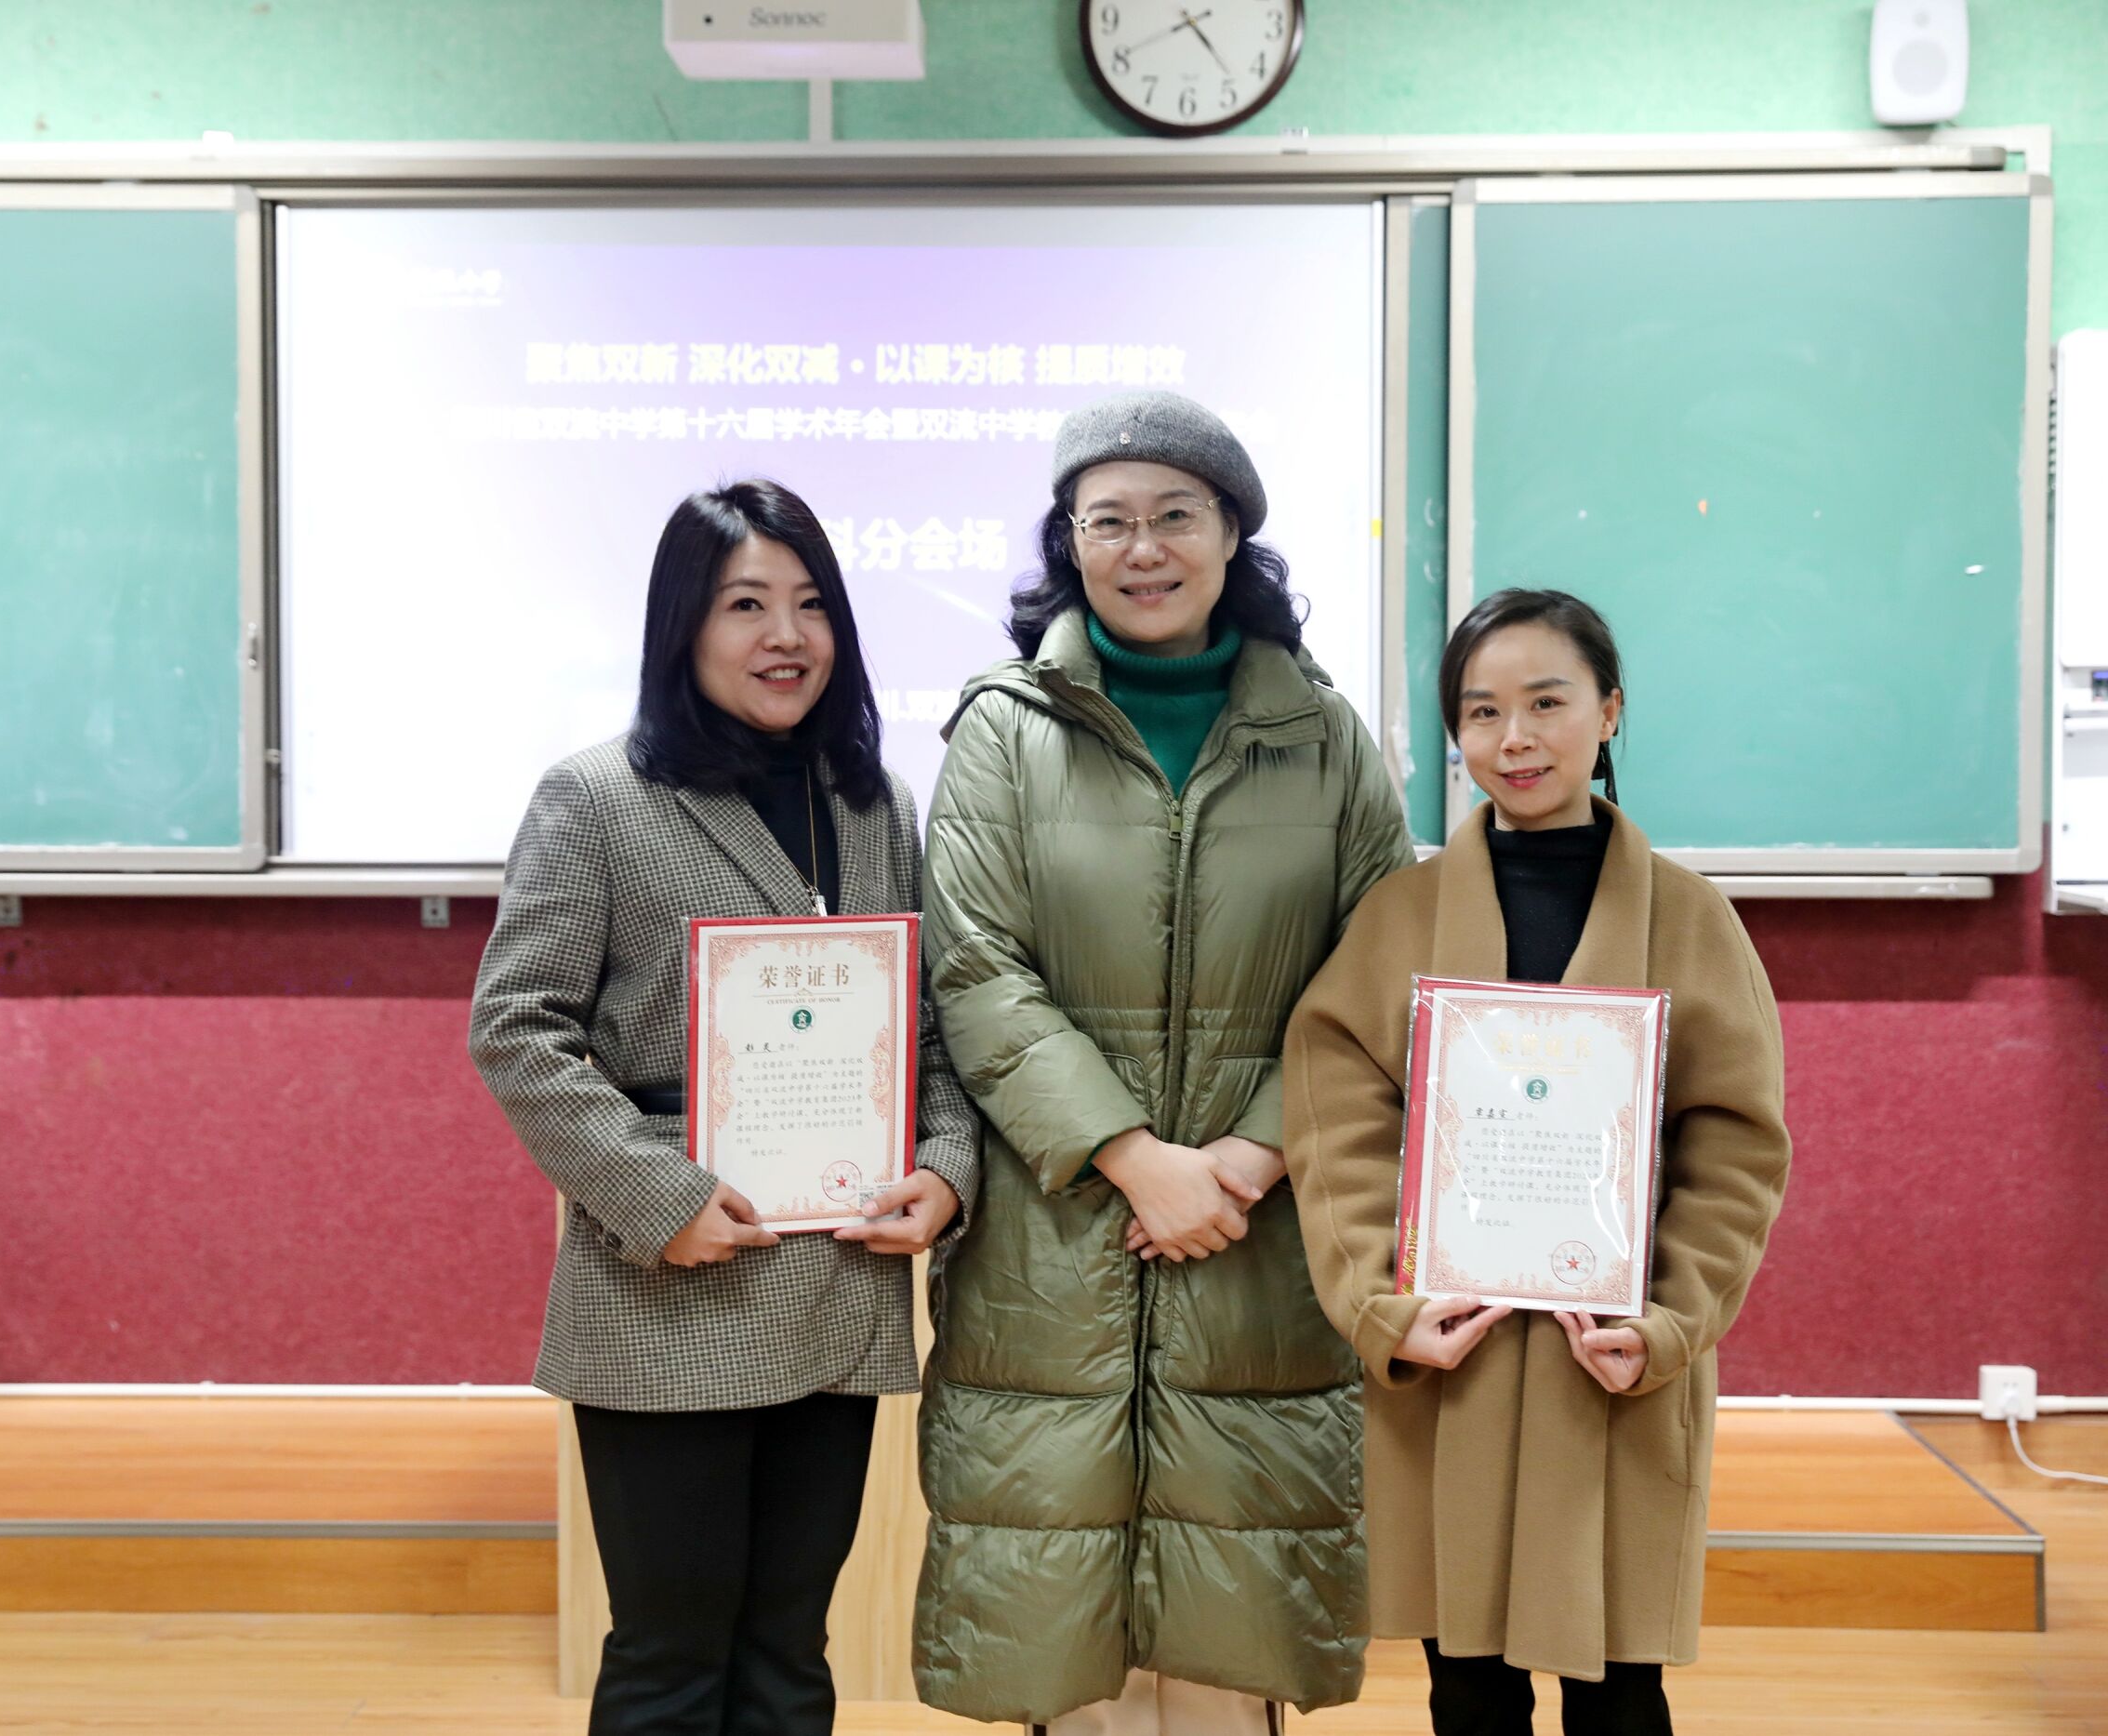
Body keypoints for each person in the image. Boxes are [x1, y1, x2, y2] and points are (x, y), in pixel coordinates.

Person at [911, 391, 1414, 1732]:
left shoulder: (1323, 735)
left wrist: (1246, 1157)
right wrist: (1136, 1160)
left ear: (1232, 532)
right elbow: (976, 970)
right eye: (1108, 522)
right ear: (1068, 543)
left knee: (1228, 1642)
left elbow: (1377, 970)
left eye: (1175, 515)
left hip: (1259, 1242)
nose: (1143, 549)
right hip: (1053, 1237)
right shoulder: (1005, 729)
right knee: (1060, 1643)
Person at [469, 479, 979, 1736]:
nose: (786, 636)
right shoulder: (596, 797)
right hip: (671, 1282)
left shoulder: (872, 802)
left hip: (840, 1273)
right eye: (745, 604)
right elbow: (518, 1027)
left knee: (790, 1651)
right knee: (670, 1658)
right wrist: (660, 1197)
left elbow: (925, 1025)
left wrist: (947, 1164)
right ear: (682, 625)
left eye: (811, 604)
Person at [1282, 587, 1794, 1736]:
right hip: (1450, 1359)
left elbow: (1734, 1145)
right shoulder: (1399, 915)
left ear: (1609, 712)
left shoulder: (1691, 918)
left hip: (1608, 1363)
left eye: (1547, 703)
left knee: (1621, 1691)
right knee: (1465, 1685)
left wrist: (1667, 1322)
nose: (1513, 738)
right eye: (1481, 712)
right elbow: (1332, 1121)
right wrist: (1381, 1306)